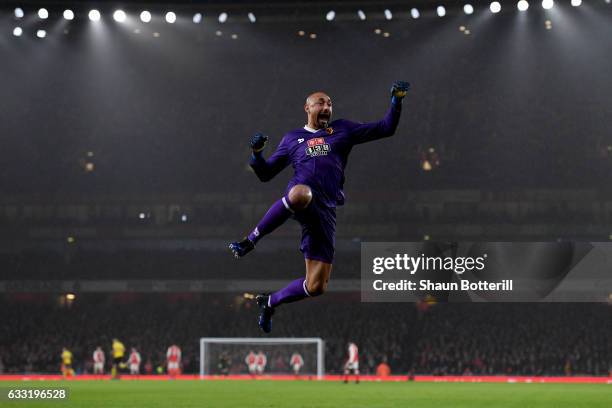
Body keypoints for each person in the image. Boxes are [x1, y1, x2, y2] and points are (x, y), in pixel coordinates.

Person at [229, 81, 410, 333]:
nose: (327, 107)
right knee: (301, 193)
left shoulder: (343, 129)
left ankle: (269, 302)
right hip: (300, 197)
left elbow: (386, 128)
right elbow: (266, 173)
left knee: (316, 286)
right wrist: (257, 154)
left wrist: (396, 101)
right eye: (321, 103)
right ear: (307, 107)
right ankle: (249, 241)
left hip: (325, 210)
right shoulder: (292, 139)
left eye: (330, 104)